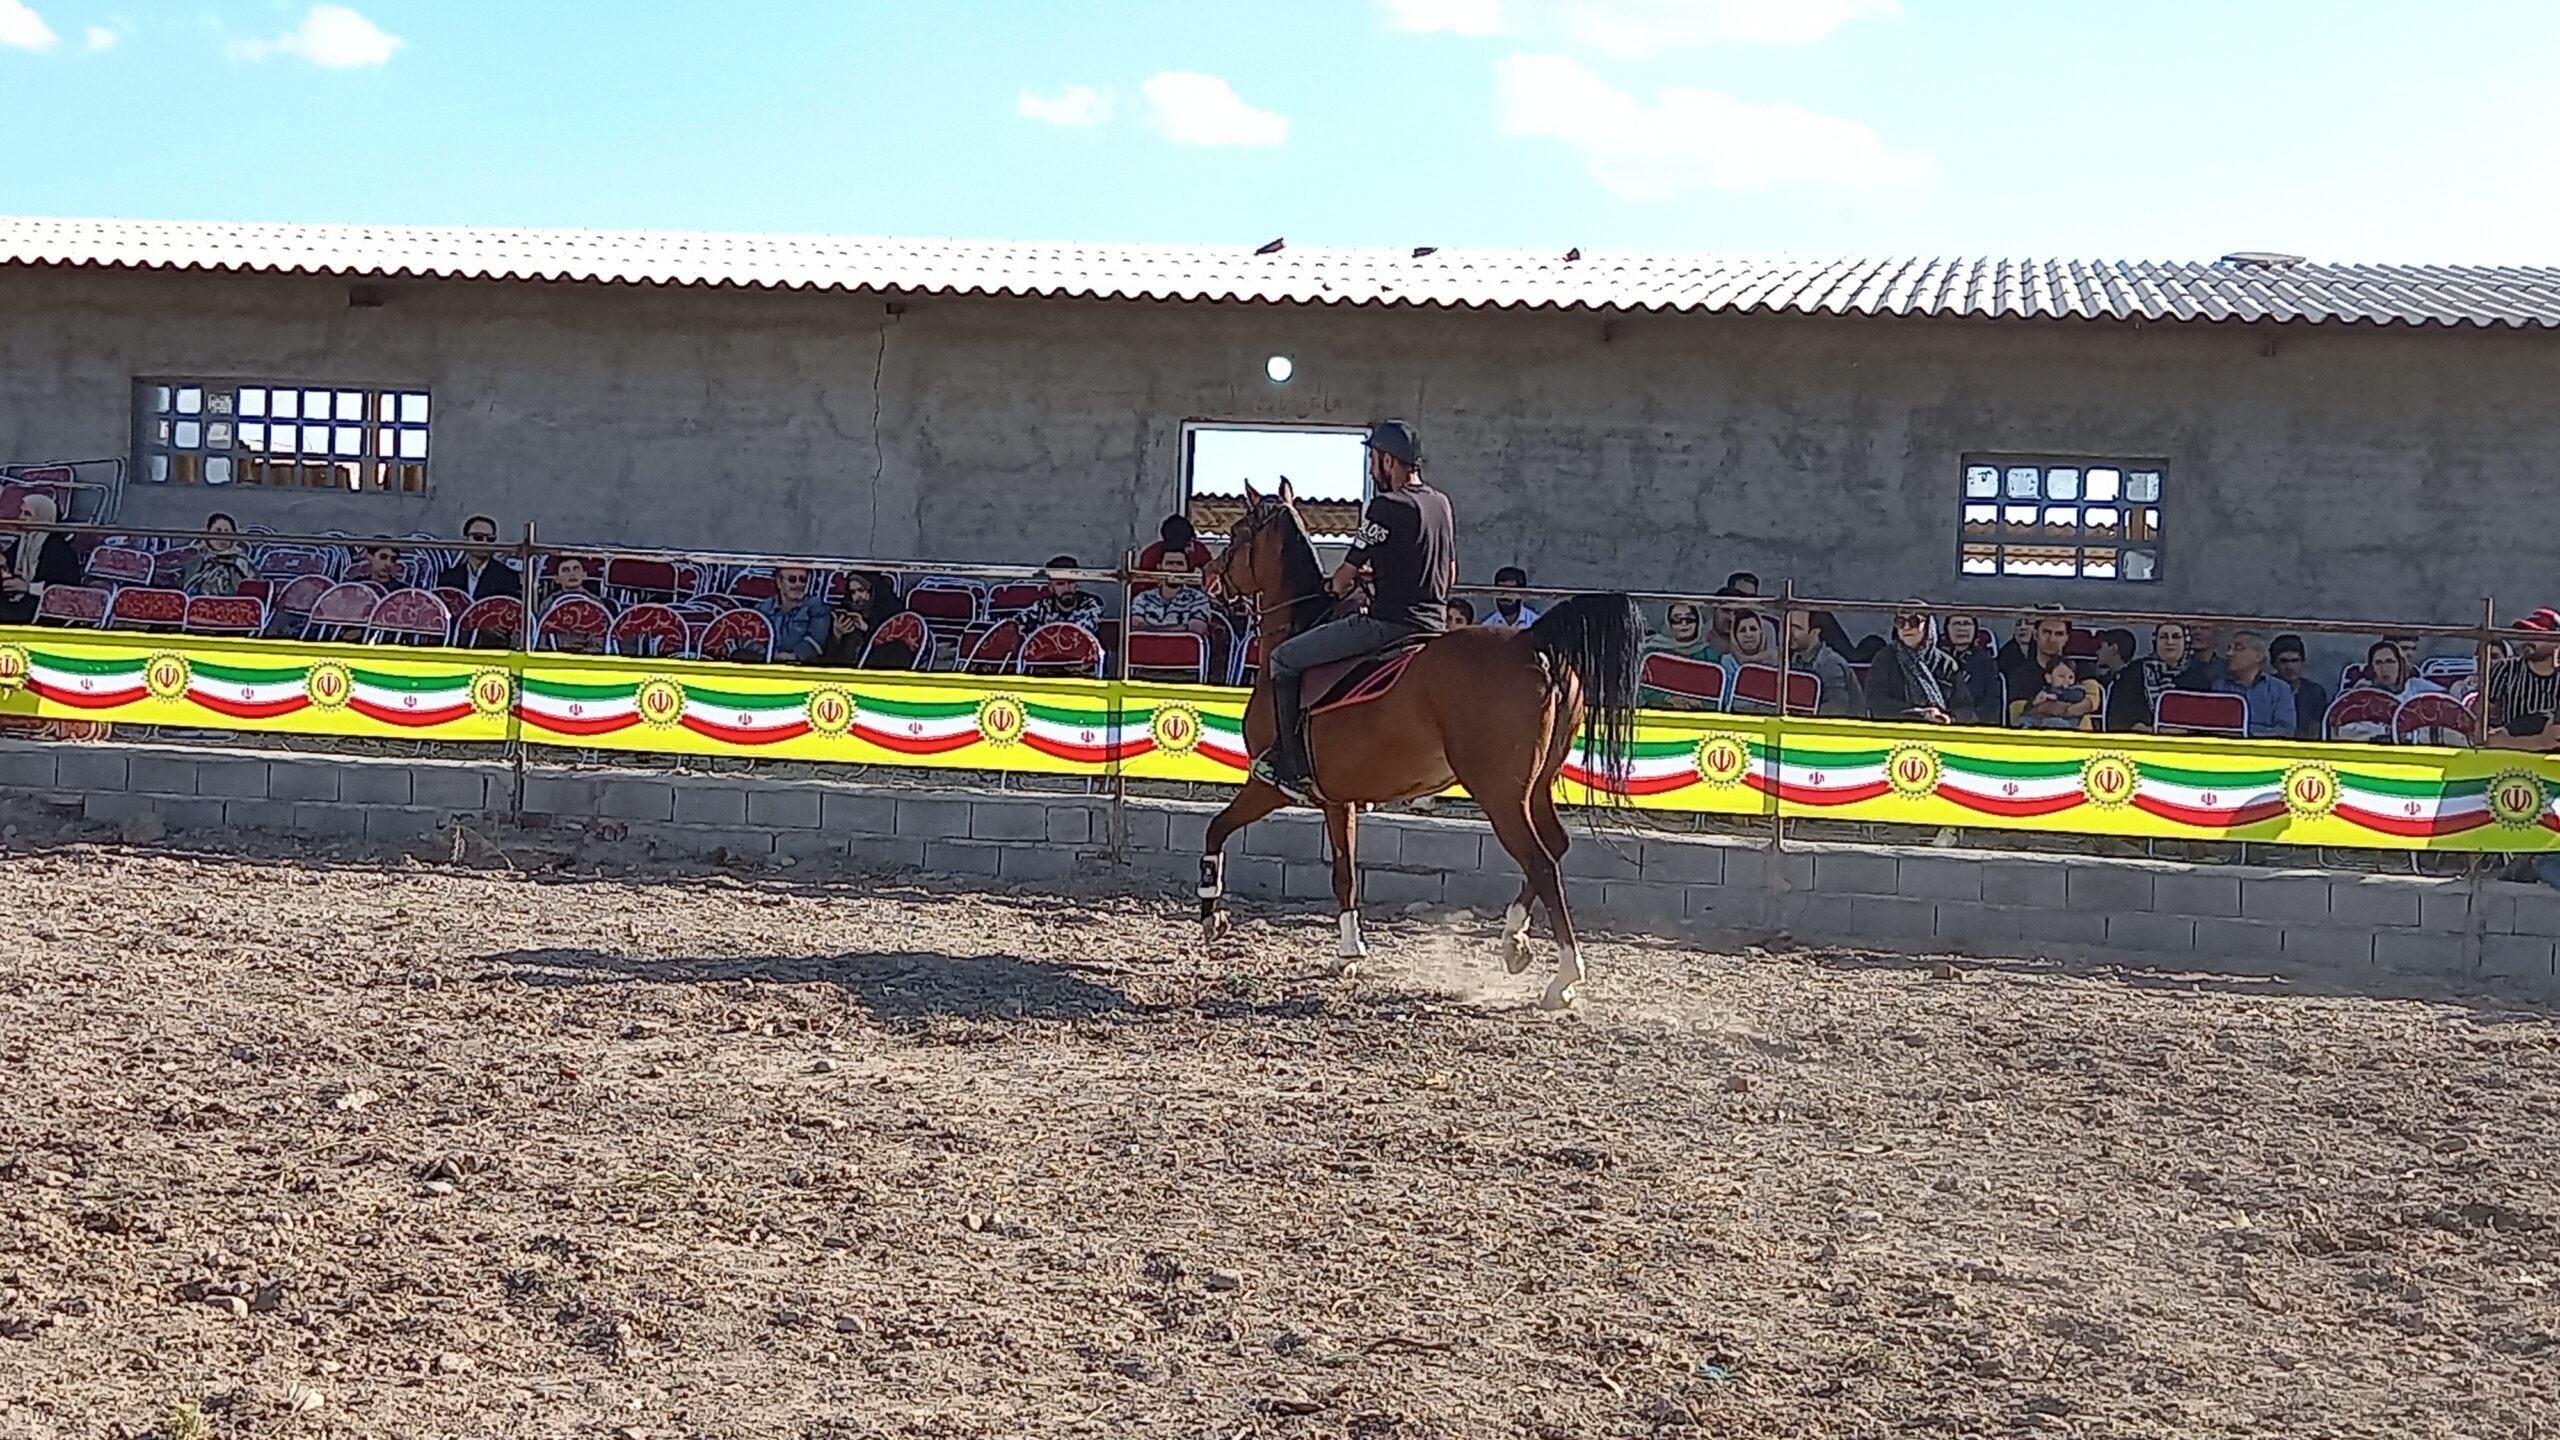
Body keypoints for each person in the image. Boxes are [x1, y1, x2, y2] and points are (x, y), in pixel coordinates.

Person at [1256, 420, 1453, 801]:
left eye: (1373, 459)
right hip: (1435, 625)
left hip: (1390, 626)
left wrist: (1336, 584)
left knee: (1284, 658)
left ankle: (1291, 765)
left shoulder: (1385, 506)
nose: (1370, 468)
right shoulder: (1440, 503)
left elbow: (1343, 579)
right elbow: (1448, 571)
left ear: (1388, 460)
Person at [1866, 604, 1960, 724]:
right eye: (1900, 622)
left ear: (1928, 626)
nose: (1906, 627)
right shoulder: (1884, 659)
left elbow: (1964, 707)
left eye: (1913, 621)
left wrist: (1948, 719)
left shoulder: (1947, 664)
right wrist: (1921, 714)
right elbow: (1876, 703)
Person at [1999, 610, 2095, 725]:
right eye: (2047, 632)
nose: (2052, 639)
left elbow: (2092, 700)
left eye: (2059, 634)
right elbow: (2016, 711)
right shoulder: (2021, 675)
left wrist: (2057, 710)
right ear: (2035, 635)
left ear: (2067, 638)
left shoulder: (2083, 669)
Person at [2484, 612, 2560, 752]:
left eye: (2536, 634)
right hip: (2509, 759)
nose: (2527, 640)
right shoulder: (2505, 670)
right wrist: (2538, 742)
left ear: (2555, 640)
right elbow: (2483, 731)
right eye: (2525, 633)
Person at [0, 493, 79, 625]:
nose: (21, 518)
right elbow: (9, 561)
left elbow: (66, 589)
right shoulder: (24, 541)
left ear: (41, 516)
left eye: (27, 514)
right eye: (21, 513)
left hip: (42, 606)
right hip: (18, 599)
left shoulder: (59, 549)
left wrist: (28, 587)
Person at [1639, 600, 1723, 710]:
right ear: (1669, 623)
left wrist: (1700, 702)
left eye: (1689, 619)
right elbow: (1644, 689)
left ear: (1698, 622)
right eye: (1677, 620)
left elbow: (1716, 690)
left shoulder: (1710, 654)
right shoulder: (1653, 652)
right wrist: (1668, 699)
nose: (1684, 624)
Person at [2213, 631, 2297, 738]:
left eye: (2238, 648)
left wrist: (2245, 731)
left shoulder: (2280, 689)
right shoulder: (2220, 687)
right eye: (2229, 648)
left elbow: (2286, 731)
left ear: (2258, 656)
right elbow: (2215, 727)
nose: (2229, 653)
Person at [1783, 608, 1864, 717]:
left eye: (1797, 628)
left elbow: (1835, 710)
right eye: (1789, 626)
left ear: (1815, 632)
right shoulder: (1793, 659)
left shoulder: (1831, 664)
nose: (1790, 633)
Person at [822, 570, 905, 667]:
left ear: (872, 591)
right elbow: (831, 659)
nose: (857, 596)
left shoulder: (890, 613)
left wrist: (867, 629)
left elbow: (896, 651)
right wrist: (837, 635)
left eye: (861, 590)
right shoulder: (848, 610)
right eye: (853, 592)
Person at [756, 566, 833, 664]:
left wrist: (794, 655)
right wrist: (769, 654)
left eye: (802, 580)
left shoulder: (816, 606)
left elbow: (817, 639)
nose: (798, 584)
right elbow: (748, 639)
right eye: (792, 579)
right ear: (779, 582)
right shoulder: (762, 608)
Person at [435, 515, 522, 602]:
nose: (484, 542)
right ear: (465, 540)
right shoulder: (448, 578)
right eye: (478, 537)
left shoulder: (508, 578)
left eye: (490, 539)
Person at [1131, 549, 1217, 634]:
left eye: (1180, 564)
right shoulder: (1143, 597)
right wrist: (1183, 628)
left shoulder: (1198, 598)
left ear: (1187, 568)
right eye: (1169, 563)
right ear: (1159, 567)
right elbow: (1135, 625)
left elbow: (1197, 629)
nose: (1174, 568)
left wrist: (1149, 628)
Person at [1016, 555, 1107, 634]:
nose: (1067, 589)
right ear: (1051, 587)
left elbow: (1078, 632)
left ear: (1076, 583)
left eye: (1071, 582)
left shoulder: (1091, 604)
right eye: (1060, 584)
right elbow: (1015, 624)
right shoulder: (1041, 608)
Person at [179, 512, 259, 597]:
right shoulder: (196, 562)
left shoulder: (243, 563)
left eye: (227, 532)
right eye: (218, 530)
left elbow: (255, 590)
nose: (222, 536)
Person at [1938, 614, 2000, 724]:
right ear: (1947, 628)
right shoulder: (1936, 659)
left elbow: (1991, 703)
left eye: (1967, 624)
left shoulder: (1986, 663)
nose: (1962, 628)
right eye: (1956, 623)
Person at [2015, 655, 2097, 730]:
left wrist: (2057, 696)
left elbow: (2077, 696)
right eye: (2061, 676)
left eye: (2071, 677)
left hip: (2068, 723)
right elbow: (2028, 709)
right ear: (2049, 678)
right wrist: (2034, 702)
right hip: (2042, 720)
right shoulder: (2045, 690)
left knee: (2053, 722)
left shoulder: (2076, 689)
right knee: (2024, 719)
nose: (2066, 680)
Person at [2093, 628, 2148, 733]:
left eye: (2101, 647)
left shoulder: (2134, 679)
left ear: (2114, 648)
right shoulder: (2106, 681)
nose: (2097, 652)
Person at [1136, 514, 1213, 573]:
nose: (1192, 548)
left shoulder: (1198, 550)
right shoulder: (1151, 555)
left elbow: (1211, 575)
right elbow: (1142, 586)